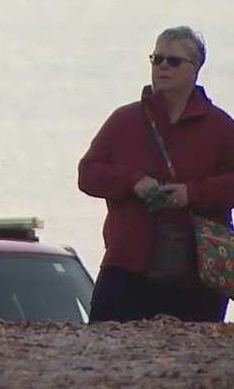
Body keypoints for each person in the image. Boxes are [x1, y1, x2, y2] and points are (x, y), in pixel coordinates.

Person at [77, 25, 234, 322]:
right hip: (127, 267)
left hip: (198, 272)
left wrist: (192, 193)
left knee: (194, 350)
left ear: (195, 69)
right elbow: (88, 174)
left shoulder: (220, 127)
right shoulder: (125, 120)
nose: (162, 66)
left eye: (173, 61)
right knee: (105, 344)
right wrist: (133, 181)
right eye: (157, 59)